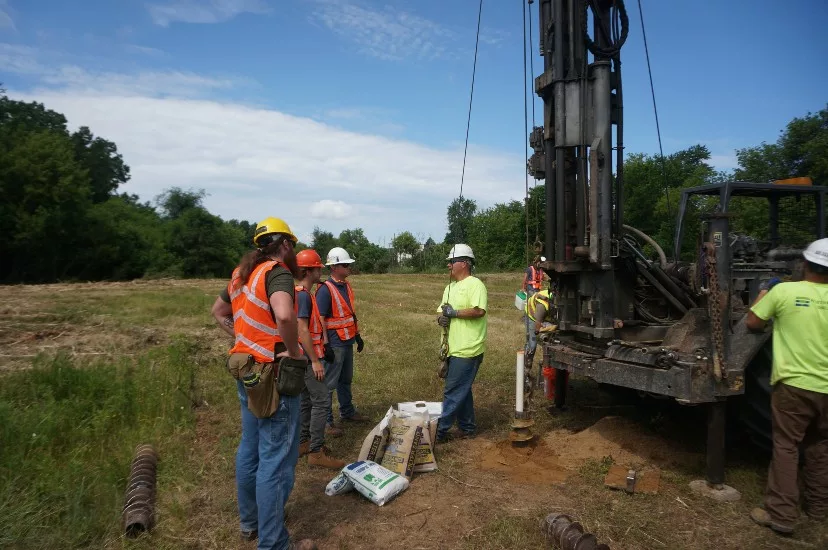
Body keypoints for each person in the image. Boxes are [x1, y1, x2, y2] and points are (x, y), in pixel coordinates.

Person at [211, 216, 316, 550]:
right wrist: (295, 350)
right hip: (271, 374)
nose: (293, 253)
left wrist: (242, 337)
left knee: (250, 448)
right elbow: (285, 315)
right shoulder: (276, 273)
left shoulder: (240, 276)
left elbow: (218, 312)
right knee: (276, 457)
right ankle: (273, 544)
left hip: (245, 370)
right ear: (284, 244)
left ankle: (250, 524)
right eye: (292, 246)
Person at [746, 238, 828, 535]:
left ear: (804, 264)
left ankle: (781, 514)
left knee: (786, 446)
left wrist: (766, 289)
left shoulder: (785, 291)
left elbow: (753, 322)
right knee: (820, 445)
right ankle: (818, 509)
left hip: (794, 385)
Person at [294, 249, 345, 470]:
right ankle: (316, 450)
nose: (319, 272)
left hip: (303, 357)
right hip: (308, 359)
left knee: (306, 401)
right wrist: (315, 360)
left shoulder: (302, 293)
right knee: (322, 401)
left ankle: (303, 442)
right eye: (317, 269)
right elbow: (302, 329)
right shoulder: (304, 295)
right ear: (308, 271)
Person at [435, 244, 488, 443]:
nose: (448, 265)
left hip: (468, 348)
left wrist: (454, 313)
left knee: (453, 391)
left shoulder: (476, 285)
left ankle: (438, 432)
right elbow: (441, 310)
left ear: (464, 263)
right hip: (452, 347)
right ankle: (467, 427)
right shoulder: (450, 287)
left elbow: (478, 310)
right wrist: (441, 318)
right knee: (461, 389)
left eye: (452, 261)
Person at [315, 246, 369, 435]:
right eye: (345, 265)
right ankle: (327, 422)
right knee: (329, 384)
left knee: (345, 380)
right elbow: (320, 318)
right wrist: (326, 344)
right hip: (335, 343)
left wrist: (357, 336)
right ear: (334, 267)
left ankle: (347, 412)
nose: (349, 268)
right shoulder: (325, 289)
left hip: (347, 341)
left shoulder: (346, 285)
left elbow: (348, 314)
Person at [524, 284, 557, 383]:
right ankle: (525, 372)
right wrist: (540, 333)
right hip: (532, 316)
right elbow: (538, 326)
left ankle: (549, 373)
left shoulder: (559, 302)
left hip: (545, 317)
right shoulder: (542, 305)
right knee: (532, 344)